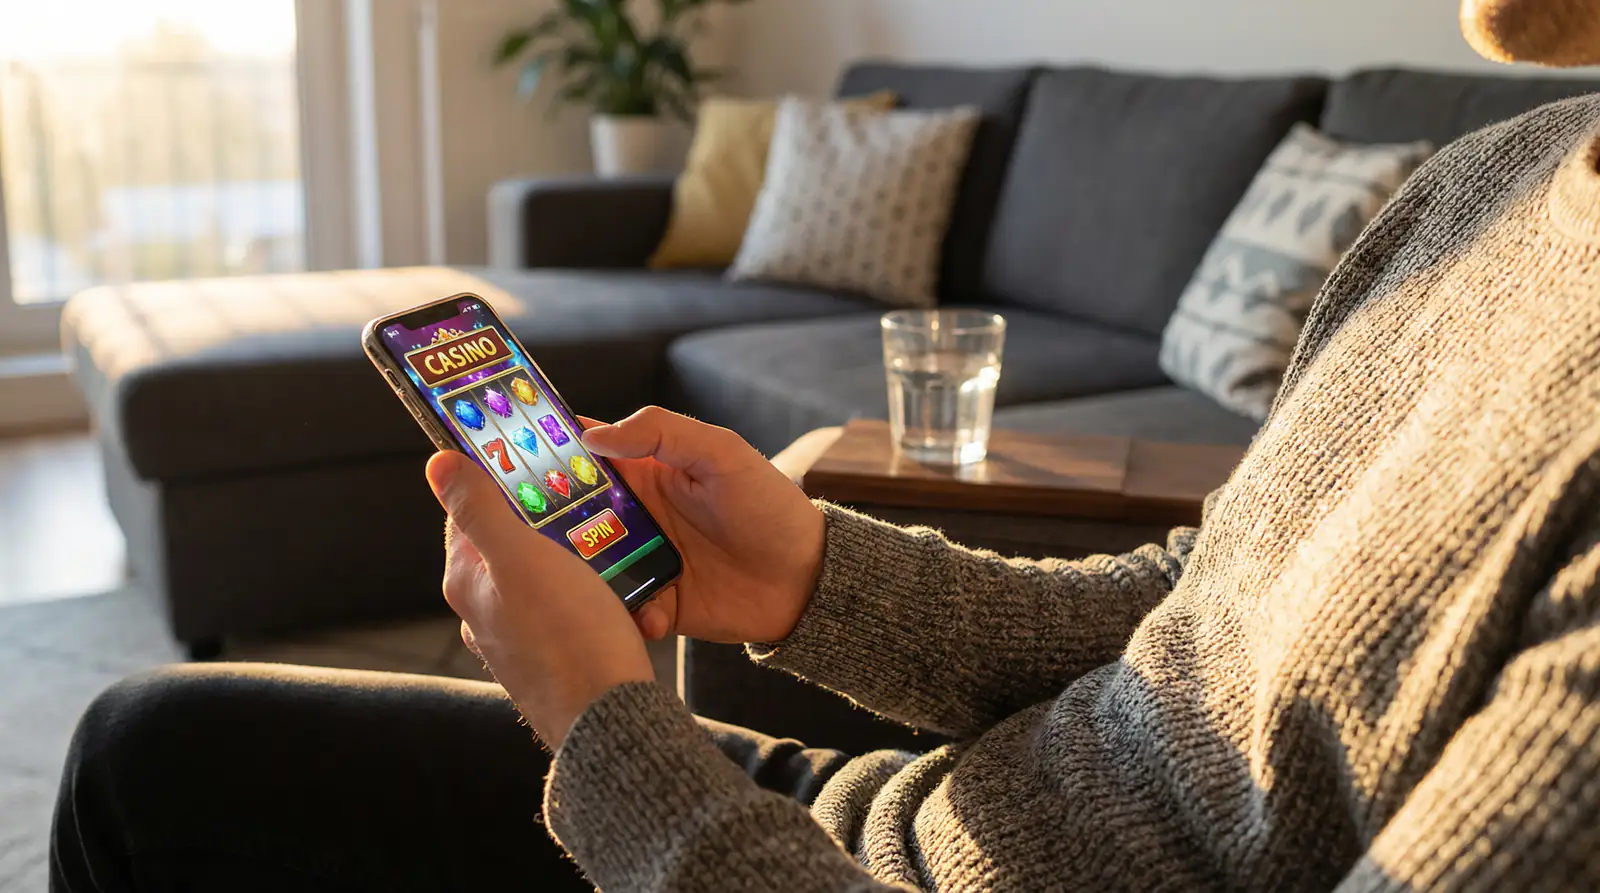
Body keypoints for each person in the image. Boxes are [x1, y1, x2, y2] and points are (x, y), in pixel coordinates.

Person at [50, 1, 1600, 890]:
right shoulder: (1489, 184)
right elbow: (1211, 618)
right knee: (156, 749)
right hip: (906, 827)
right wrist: (807, 575)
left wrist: (603, 724)